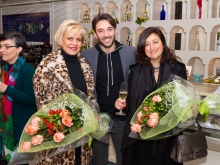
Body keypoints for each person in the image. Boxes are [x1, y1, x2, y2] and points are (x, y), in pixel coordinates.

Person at [119, 27, 187, 165]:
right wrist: (121, 104)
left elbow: (183, 103)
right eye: (147, 44)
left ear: (163, 42)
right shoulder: (135, 70)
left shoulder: (178, 69)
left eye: (155, 42)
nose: (152, 47)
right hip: (142, 138)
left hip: (168, 137)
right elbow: (131, 105)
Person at [32, 20, 96, 165]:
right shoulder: (47, 66)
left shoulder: (85, 65)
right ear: (61, 39)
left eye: (78, 39)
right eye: (70, 38)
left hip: (81, 133)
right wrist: (65, 124)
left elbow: (90, 98)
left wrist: (93, 114)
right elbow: (43, 107)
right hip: (57, 136)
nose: (75, 43)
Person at [81, 13, 136, 165]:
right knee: (99, 160)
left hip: (122, 119)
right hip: (98, 118)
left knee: (124, 159)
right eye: (101, 31)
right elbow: (82, 86)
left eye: (109, 29)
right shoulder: (86, 55)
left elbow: (139, 80)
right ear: (95, 34)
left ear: (115, 30)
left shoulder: (131, 53)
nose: (106, 35)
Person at [0, 31, 37, 164]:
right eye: (0, 46)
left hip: (20, 127)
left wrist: (6, 89)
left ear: (19, 49)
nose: (2, 50)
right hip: (5, 124)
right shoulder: (3, 69)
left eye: (6, 46)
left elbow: (31, 100)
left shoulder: (28, 70)